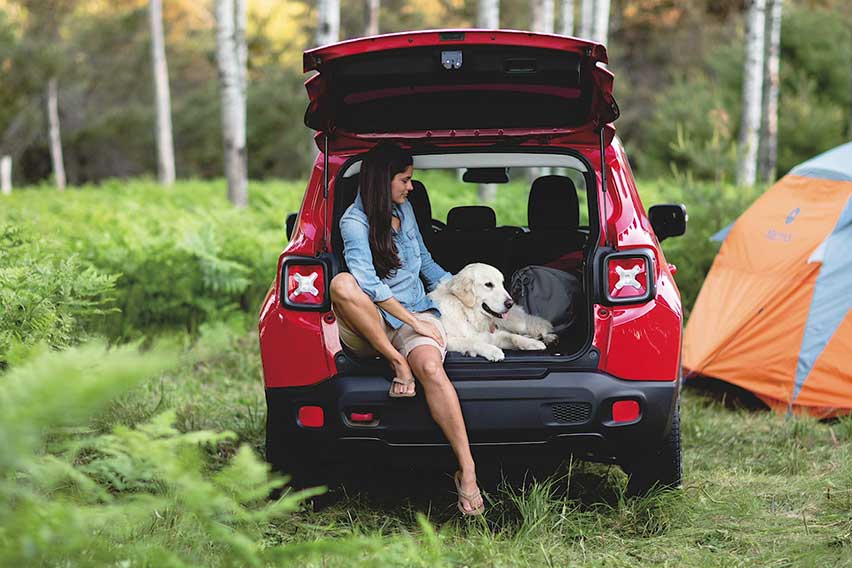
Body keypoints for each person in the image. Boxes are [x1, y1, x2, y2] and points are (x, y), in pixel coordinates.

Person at [329, 143, 485, 516]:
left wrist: (467, 292)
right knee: (342, 285)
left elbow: (426, 263)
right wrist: (411, 325)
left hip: (417, 309)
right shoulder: (354, 222)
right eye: (405, 179)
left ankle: (467, 470)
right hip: (374, 324)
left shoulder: (405, 210)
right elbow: (370, 286)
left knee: (431, 367)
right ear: (383, 181)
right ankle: (397, 362)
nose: (410, 187)